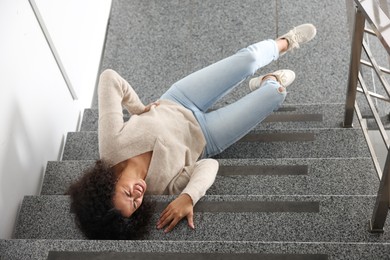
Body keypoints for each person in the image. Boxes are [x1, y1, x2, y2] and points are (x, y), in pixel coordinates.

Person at [67, 23, 317, 240]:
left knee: (249, 60)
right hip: (207, 137)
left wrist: (138, 108)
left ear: (107, 184)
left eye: (126, 193)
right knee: (276, 94)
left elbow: (109, 79)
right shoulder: (161, 189)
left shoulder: (111, 147)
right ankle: (267, 81)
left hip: (179, 99)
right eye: (135, 204)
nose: (138, 195)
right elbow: (208, 165)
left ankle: (285, 42)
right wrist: (189, 196)